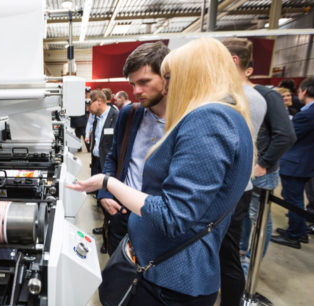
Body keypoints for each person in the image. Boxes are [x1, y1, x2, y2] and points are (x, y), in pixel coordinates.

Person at [68, 38, 255, 305]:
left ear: (189, 77)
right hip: (164, 265)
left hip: (169, 276)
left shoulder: (208, 119)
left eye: (168, 77)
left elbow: (172, 215)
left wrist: (106, 182)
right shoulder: (231, 115)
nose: (166, 86)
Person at [97, 41, 169, 255]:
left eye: (144, 82)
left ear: (167, 76)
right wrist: (104, 192)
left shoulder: (186, 122)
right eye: (133, 83)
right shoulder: (129, 115)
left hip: (159, 222)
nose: (136, 91)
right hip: (122, 213)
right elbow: (113, 157)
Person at [220, 37, 267, 306]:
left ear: (233, 60)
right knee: (228, 252)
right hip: (241, 186)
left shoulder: (235, 98)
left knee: (226, 253)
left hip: (229, 189)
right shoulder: (256, 96)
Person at [239, 64, 296, 272]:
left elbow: (286, 135)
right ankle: (242, 255)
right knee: (244, 218)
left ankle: (250, 267)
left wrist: (263, 163)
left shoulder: (266, 95)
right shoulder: (237, 94)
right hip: (244, 172)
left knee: (259, 220)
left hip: (260, 172)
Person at [271, 76, 314, 248]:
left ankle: (294, 235)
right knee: (298, 199)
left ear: (305, 91)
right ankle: (299, 231)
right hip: (311, 162)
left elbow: (289, 137)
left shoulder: (307, 114)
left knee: (293, 200)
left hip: (296, 163)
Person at [88, 89, 119, 253]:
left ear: (99, 100)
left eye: (89, 102)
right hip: (98, 163)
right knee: (101, 200)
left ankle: (108, 239)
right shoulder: (96, 118)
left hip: (109, 165)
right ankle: (104, 226)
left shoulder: (115, 116)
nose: (88, 107)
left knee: (109, 200)